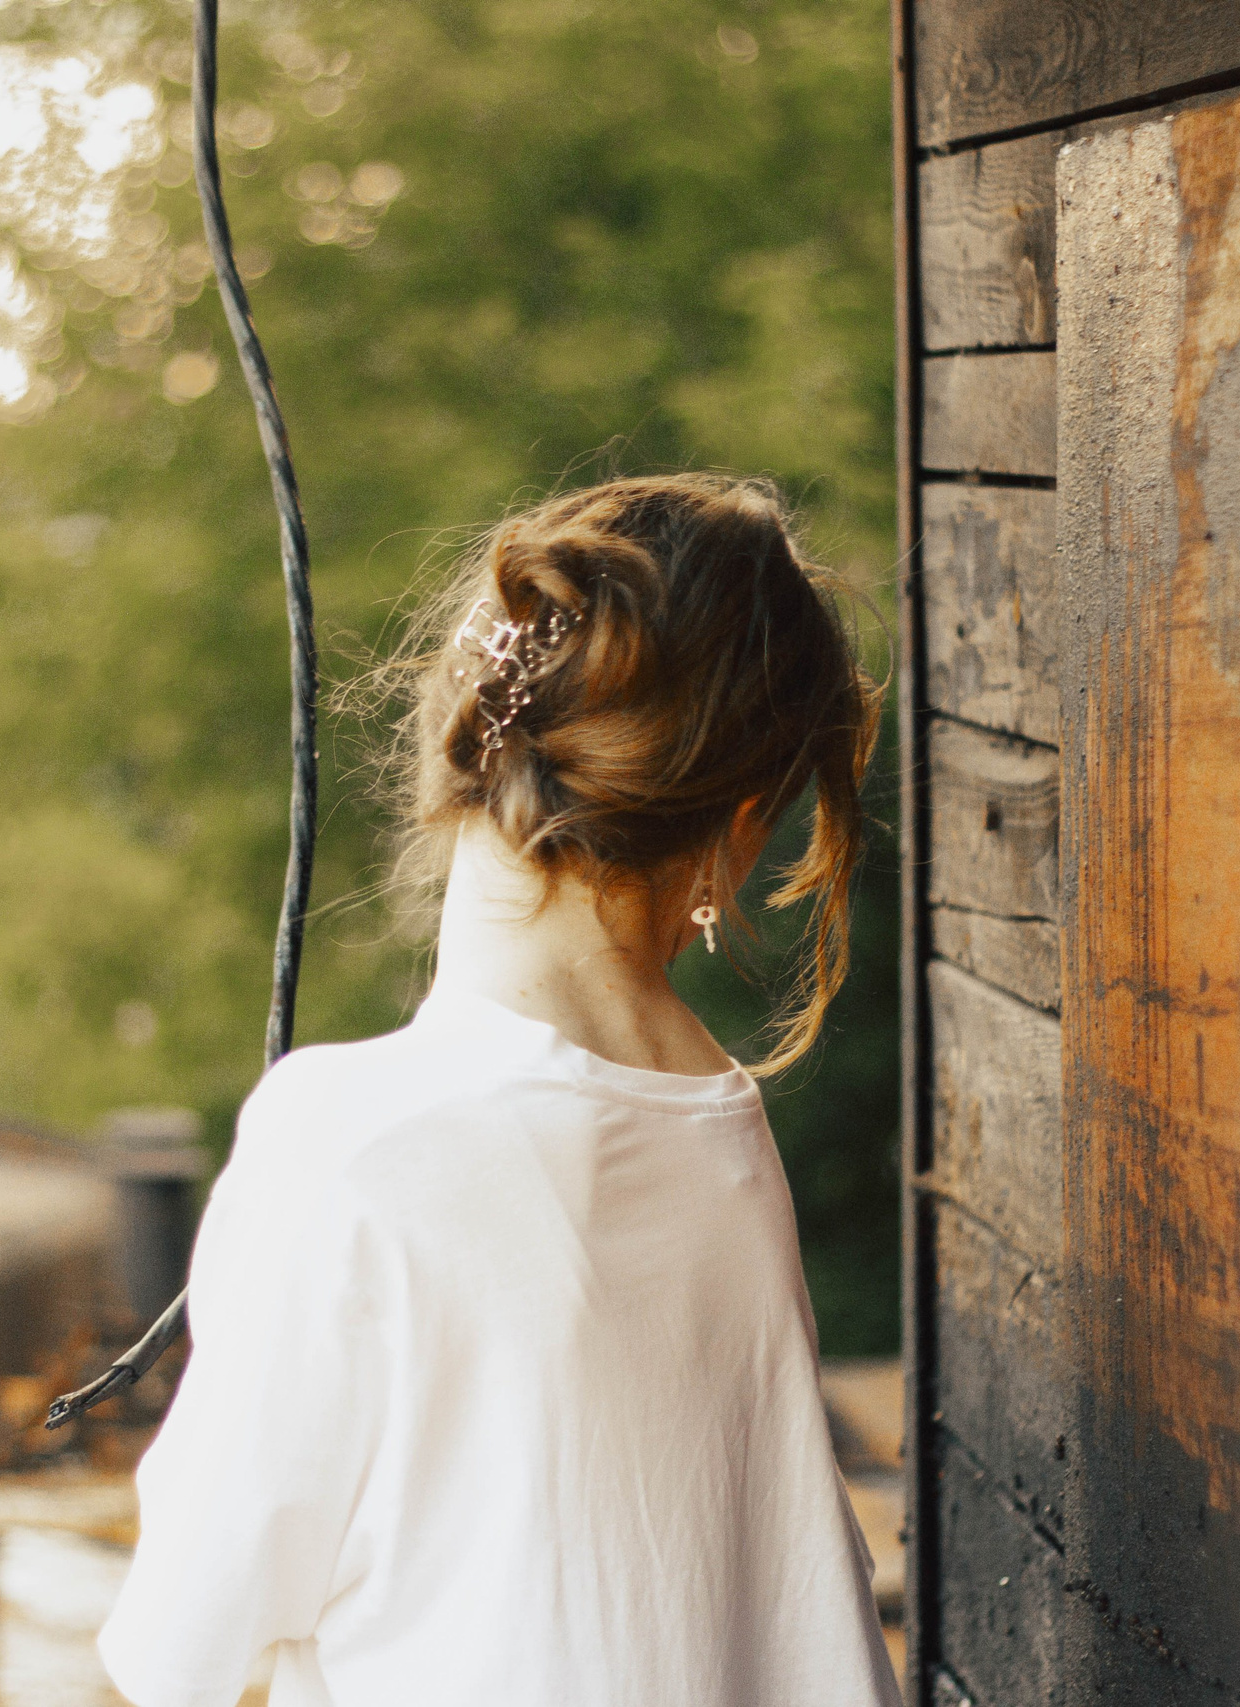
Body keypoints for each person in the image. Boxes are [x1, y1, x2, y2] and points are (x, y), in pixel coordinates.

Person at [98, 474, 900, 1707]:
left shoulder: (353, 1137)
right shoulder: (721, 1129)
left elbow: (177, 1645)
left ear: (458, 735)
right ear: (740, 827)